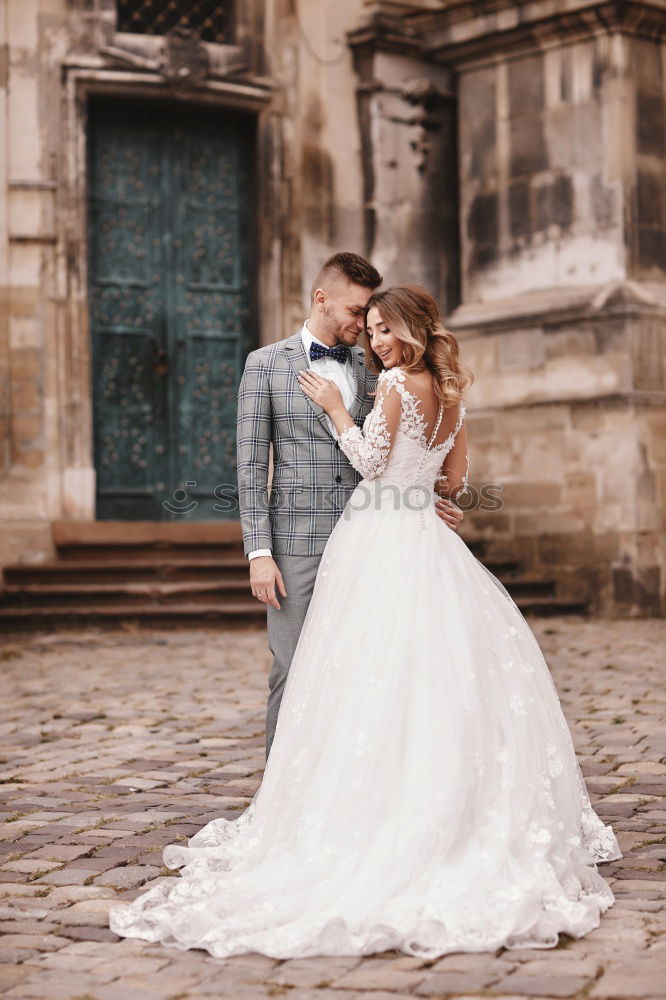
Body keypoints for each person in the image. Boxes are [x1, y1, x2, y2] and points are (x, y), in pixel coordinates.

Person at [109, 284, 620, 959]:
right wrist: (435, 496)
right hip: (429, 542)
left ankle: (376, 815)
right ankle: (449, 808)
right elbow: (455, 481)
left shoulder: (396, 387)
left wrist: (333, 412)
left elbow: (371, 463)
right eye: (370, 329)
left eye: (384, 329)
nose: (376, 341)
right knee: (433, 675)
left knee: (368, 672)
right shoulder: (451, 395)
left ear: (409, 329)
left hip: (379, 537)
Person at [235, 252, 462, 757]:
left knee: (365, 678)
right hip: (298, 546)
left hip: (374, 544)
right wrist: (259, 552)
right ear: (322, 299)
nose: (364, 327)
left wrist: (425, 502)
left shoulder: (379, 364)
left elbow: (405, 448)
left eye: (370, 317)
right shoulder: (265, 364)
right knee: (293, 670)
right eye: (356, 313)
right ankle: (280, 794)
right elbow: (251, 469)